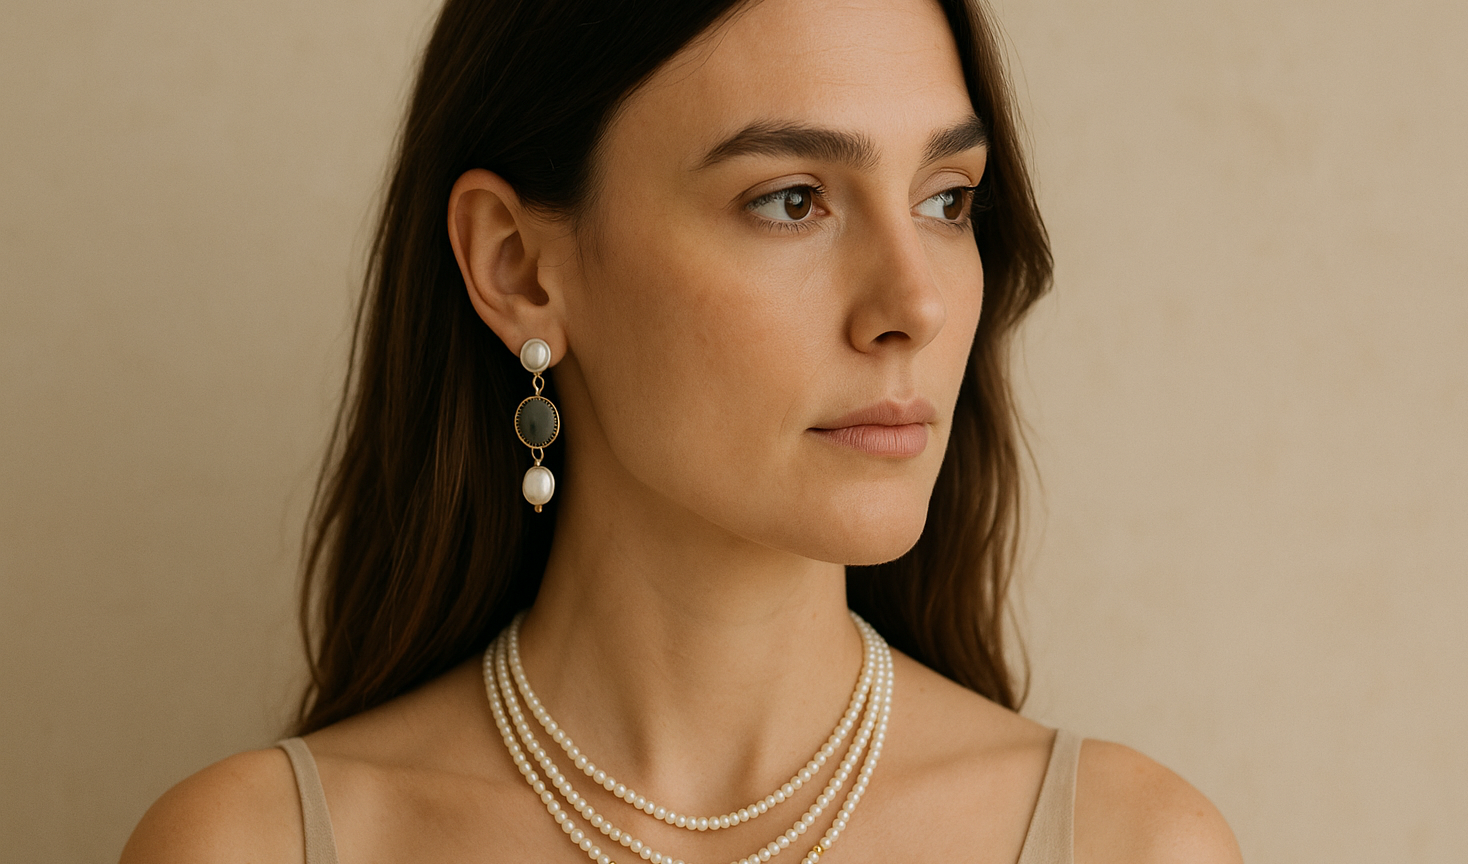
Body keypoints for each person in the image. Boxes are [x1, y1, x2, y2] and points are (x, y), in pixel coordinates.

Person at [122, 0, 1242, 861]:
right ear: (517, 264)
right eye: (792, 199)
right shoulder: (256, 846)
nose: (919, 304)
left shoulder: (1131, 845)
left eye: (946, 199)